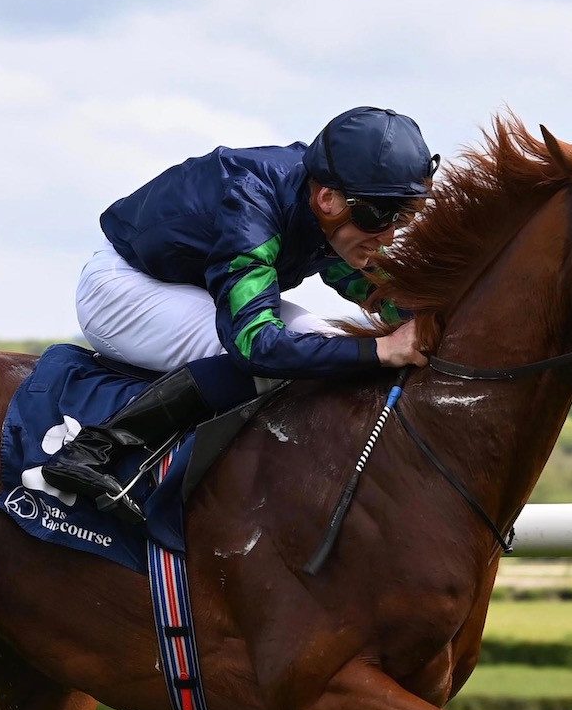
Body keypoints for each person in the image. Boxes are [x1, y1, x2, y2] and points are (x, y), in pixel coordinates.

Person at [40, 106, 436, 516]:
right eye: (380, 216)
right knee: (271, 362)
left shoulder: (332, 207)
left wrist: (428, 325)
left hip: (193, 285)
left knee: (329, 343)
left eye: (401, 218)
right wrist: (379, 351)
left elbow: (375, 291)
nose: (389, 235)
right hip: (123, 287)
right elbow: (255, 345)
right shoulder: (252, 203)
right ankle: (93, 449)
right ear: (328, 199)